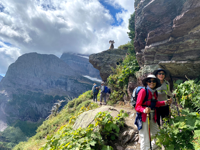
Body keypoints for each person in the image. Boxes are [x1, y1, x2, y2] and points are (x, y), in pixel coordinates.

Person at [135, 74, 172, 150]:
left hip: (153, 116)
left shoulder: (154, 92)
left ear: (156, 82)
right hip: (144, 117)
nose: (151, 82)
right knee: (145, 138)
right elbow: (137, 106)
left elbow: (155, 104)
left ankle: (154, 148)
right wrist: (144, 110)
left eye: (153, 81)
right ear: (147, 82)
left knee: (156, 134)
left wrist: (165, 102)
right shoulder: (143, 91)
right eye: (149, 81)